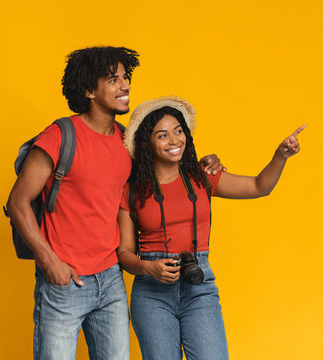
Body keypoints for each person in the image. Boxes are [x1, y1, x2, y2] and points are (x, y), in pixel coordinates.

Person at [5, 47, 224, 360]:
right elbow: (17, 202)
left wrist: (206, 163)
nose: (125, 85)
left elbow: (165, 168)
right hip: (65, 282)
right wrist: (50, 262)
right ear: (89, 91)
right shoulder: (60, 136)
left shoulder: (127, 142)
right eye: (113, 80)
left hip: (111, 281)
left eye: (125, 77)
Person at [116, 96, 305, 359]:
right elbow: (124, 253)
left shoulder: (202, 177)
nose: (174, 140)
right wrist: (149, 267)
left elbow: (259, 186)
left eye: (178, 131)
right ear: (147, 143)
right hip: (151, 293)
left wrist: (280, 156)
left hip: (199, 286)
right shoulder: (132, 190)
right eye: (162, 135)